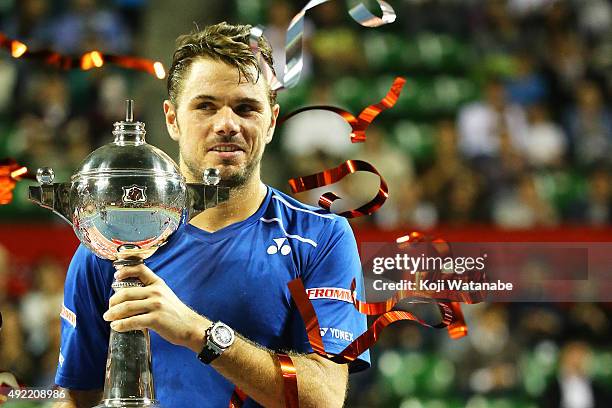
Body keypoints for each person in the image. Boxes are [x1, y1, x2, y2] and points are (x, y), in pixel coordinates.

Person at [54, 22, 369, 408]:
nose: (226, 124)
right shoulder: (111, 241)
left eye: (246, 107)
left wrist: (198, 332)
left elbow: (326, 398)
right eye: (205, 106)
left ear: (270, 122)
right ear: (172, 119)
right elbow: (75, 398)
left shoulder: (320, 237)